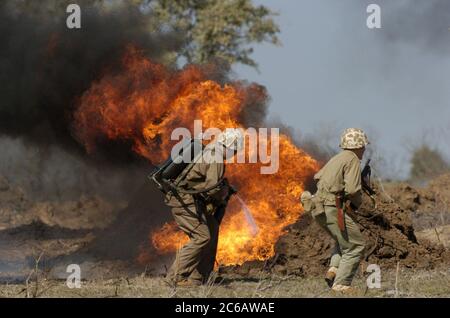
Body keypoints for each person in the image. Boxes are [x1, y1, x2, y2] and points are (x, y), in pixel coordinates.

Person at [164, 129, 244, 287]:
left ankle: (199, 278)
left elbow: (205, 185)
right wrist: (224, 193)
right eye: (234, 150)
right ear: (228, 146)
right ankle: (174, 277)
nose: (234, 154)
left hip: (189, 199)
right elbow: (212, 188)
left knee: (212, 228)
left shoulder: (210, 152)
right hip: (184, 201)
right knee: (202, 237)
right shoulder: (216, 158)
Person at [311, 128, 369, 293]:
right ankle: (341, 285)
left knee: (342, 240)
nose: (364, 149)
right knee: (355, 245)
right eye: (363, 146)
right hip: (332, 208)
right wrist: (357, 203)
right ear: (358, 146)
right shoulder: (352, 160)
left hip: (319, 208)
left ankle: (334, 270)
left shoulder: (337, 158)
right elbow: (352, 190)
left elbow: (317, 177)